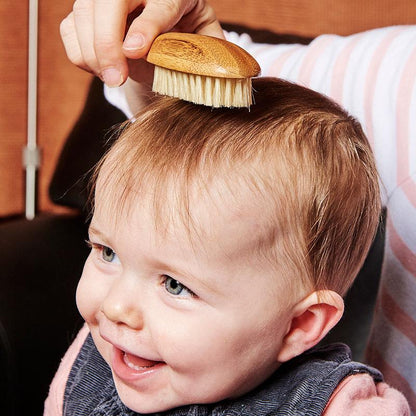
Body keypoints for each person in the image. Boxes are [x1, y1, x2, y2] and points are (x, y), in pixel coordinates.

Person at [58, 1, 416, 412]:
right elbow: (240, 100)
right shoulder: (96, 361)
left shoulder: (339, 406)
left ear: (299, 325)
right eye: (108, 253)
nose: (116, 306)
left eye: (175, 285)